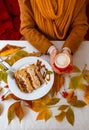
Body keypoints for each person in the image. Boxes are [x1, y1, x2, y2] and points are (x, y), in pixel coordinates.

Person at [18, 0, 88, 74]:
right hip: (37, 46)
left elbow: (80, 26)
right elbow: (27, 28)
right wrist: (51, 49)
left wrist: (67, 49)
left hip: (70, 44)